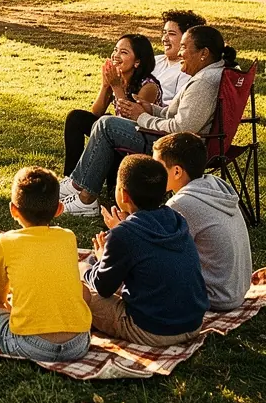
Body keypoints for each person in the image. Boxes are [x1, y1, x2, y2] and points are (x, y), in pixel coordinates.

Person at [60, 25, 236, 215]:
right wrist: (151, 109)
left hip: (180, 149)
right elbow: (175, 114)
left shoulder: (203, 82)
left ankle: (85, 197)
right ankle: (78, 185)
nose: (180, 52)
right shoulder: (207, 75)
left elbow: (182, 127)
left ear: (204, 53)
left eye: (184, 47)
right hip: (185, 141)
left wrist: (141, 117)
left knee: (106, 124)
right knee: (99, 121)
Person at [0, 167, 91, 363]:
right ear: (59, 209)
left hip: (29, 345)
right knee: (83, 291)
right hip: (78, 344)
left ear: (13, 209)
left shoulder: (5, 241)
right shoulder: (68, 237)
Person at [83, 154, 208, 345]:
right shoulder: (176, 219)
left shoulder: (124, 235)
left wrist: (99, 260)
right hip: (192, 324)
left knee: (79, 284)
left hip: (153, 330)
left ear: (124, 194)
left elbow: (103, 287)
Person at [152, 133, 252, 312]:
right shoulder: (214, 186)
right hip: (236, 290)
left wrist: (121, 232)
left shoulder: (181, 204)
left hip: (215, 297)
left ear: (176, 171)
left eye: (157, 167)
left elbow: (157, 252)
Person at [63, 34, 162, 176]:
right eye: (115, 50)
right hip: (114, 137)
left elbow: (129, 124)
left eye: (124, 52)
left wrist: (116, 87)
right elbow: (97, 112)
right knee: (76, 118)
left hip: (137, 144)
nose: (116, 55)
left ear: (137, 61)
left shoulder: (149, 87)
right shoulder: (118, 78)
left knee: (108, 121)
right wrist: (105, 86)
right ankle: (69, 176)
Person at [152, 9, 206, 105]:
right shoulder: (155, 60)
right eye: (164, 33)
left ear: (187, 39)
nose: (164, 39)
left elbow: (177, 108)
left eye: (172, 34)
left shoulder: (187, 70)